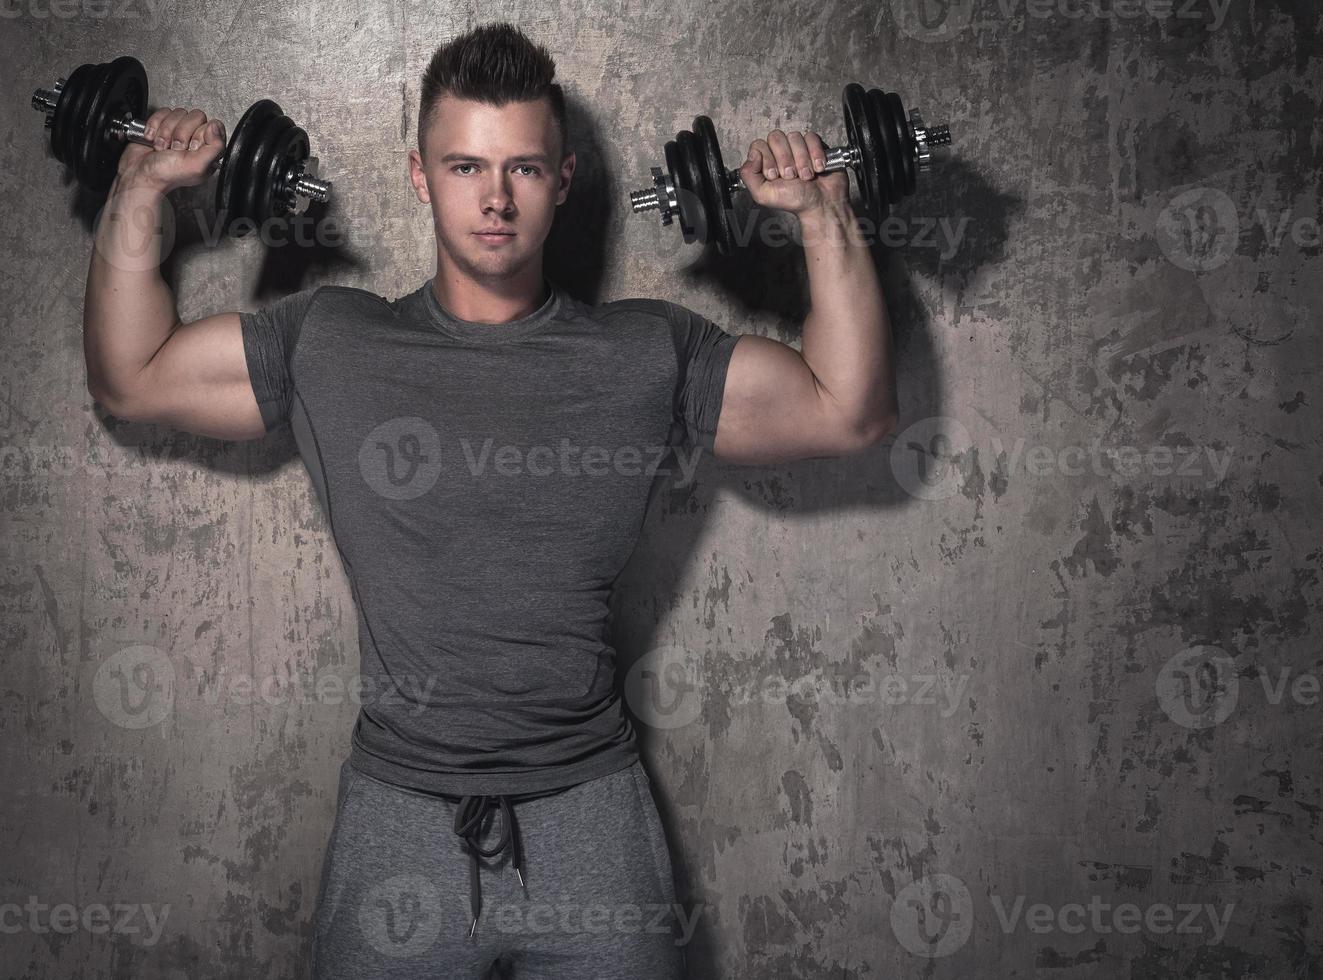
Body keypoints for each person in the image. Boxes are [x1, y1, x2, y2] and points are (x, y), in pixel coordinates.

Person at [84, 21, 896, 980]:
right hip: (399, 819)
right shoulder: (332, 344)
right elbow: (131, 377)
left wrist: (821, 214)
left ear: (566, 178)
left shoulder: (644, 354)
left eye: (523, 169)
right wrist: (138, 191)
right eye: (465, 167)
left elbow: (849, 411)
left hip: (591, 816)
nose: (496, 200)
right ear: (421, 177)